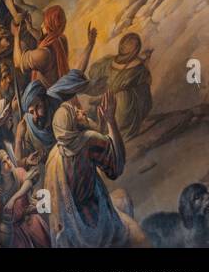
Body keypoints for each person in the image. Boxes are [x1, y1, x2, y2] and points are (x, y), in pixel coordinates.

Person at [42, 71, 138, 247]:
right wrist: (110, 121)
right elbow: (115, 168)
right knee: (124, 201)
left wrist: (99, 127)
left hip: (71, 233)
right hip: (95, 225)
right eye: (76, 111)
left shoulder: (54, 155)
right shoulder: (88, 140)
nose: (81, 111)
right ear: (72, 123)